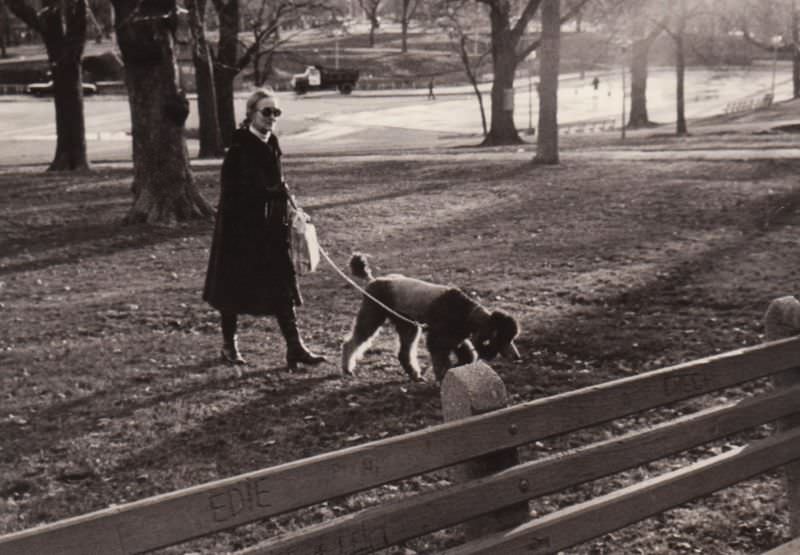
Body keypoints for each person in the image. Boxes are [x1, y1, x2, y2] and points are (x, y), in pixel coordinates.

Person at [203, 87, 327, 371]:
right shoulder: (239, 148)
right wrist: (275, 192)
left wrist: (289, 205)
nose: (272, 117)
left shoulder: (272, 143)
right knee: (232, 289)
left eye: (276, 112)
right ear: (251, 115)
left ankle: (295, 348)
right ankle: (229, 345)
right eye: (266, 111)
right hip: (240, 231)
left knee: (282, 286)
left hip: (270, 229)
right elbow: (238, 192)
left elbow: (277, 184)